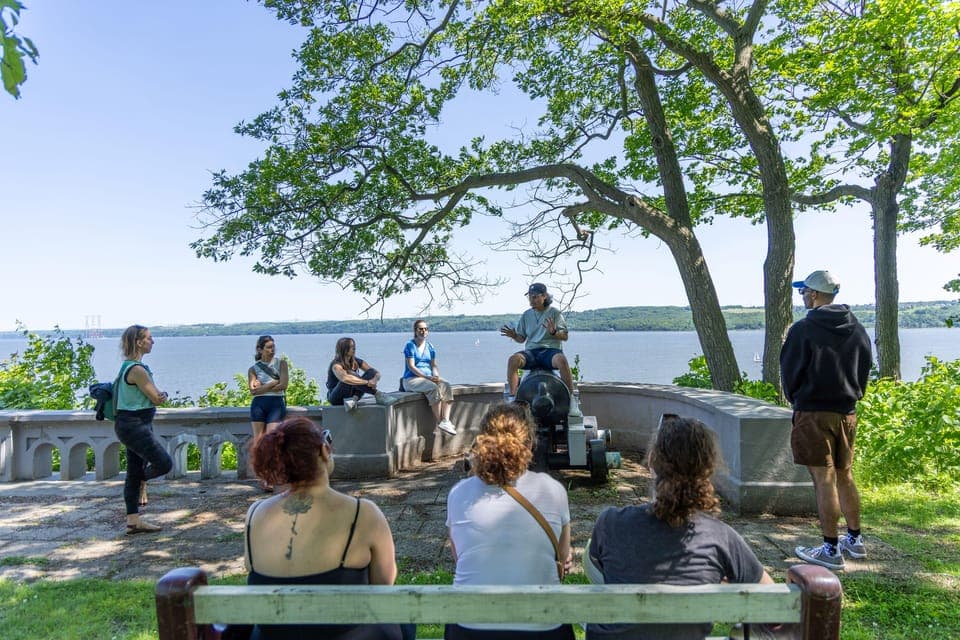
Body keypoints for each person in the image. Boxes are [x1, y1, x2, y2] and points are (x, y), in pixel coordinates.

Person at [585, 414, 776, 640]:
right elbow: (773, 605)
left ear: (651, 461)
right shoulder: (721, 538)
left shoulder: (611, 523)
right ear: (707, 469)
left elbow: (600, 571)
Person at [245, 416, 404, 640]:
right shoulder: (362, 513)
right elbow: (384, 585)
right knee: (402, 625)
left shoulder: (255, 514)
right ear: (323, 450)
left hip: (274, 635)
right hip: (345, 634)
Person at [445, 403, 574, 640]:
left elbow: (460, 557)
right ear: (530, 444)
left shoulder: (458, 494)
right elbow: (562, 560)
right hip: (543, 629)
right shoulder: (553, 491)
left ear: (482, 441)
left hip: (469, 628)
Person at [781, 269, 871, 571]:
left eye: (803, 291)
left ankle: (831, 548)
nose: (802, 296)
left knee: (823, 479)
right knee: (844, 475)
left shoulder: (803, 329)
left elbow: (790, 373)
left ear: (815, 295)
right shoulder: (857, 328)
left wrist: (799, 399)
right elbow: (864, 370)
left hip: (813, 413)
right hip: (846, 413)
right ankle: (855, 540)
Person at [114, 325, 173, 535]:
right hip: (135, 426)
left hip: (132, 425)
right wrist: (163, 395)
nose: (152, 341)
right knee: (164, 463)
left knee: (133, 471)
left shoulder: (128, 366)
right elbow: (156, 397)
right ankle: (141, 480)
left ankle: (133, 521)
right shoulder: (137, 370)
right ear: (139, 342)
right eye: (149, 338)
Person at [499, 283, 577, 411]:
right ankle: (514, 398)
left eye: (535, 297)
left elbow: (565, 336)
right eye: (530, 297)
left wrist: (554, 332)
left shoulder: (555, 313)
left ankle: (571, 399)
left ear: (544, 296)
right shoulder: (526, 315)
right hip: (531, 353)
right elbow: (521, 339)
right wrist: (514, 335)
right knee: (513, 360)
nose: (531, 300)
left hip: (550, 352)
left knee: (562, 360)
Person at [401, 319, 457, 436]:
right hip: (411, 379)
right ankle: (439, 422)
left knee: (446, 385)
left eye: (426, 329)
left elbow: (433, 365)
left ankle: (446, 421)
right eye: (420, 329)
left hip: (428, 378)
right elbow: (411, 366)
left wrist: (435, 375)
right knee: (433, 388)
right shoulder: (410, 345)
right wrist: (427, 377)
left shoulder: (430, 347)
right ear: (415, 331)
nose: (423, 331)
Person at [248, 335, 289, 492]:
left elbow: (283, 385)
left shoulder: (281, 364)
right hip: (258, 405)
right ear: (260, 349)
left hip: (276, 405)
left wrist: (263, 386)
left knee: (272, 441)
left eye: (273, 347)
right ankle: (263, 476)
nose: (272, 350)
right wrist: (272, 383)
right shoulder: (253, 369)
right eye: (269, 347)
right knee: (259, 442)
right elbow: (253, 391)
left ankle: (272, 475)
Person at [326, 337, 396, 411]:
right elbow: (345, 378)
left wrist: (374, 380)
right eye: (351, 347)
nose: (354, 348)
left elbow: (376, 372)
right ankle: (377, 394)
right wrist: (367, 382)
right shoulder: (336, 365)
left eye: (354, 346)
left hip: (351, 396)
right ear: (344, 349)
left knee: (371, 372)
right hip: (336, 398)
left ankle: (353, 400)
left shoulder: (355, 361)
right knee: (350, 374)